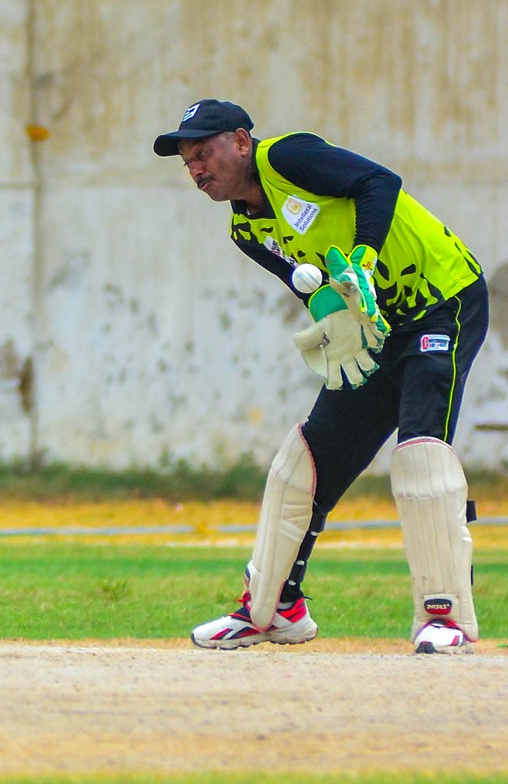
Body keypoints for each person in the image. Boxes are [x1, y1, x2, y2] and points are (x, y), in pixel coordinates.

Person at [154, 99, 486, 655]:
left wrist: (363, 259)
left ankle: (446, 616)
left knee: (422, 454)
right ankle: (273, 609)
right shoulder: (245, 230)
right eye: (188, 162)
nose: (197, 170)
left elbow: (380, 183)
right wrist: (333, 316)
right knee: (302, 465)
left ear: (241, 141)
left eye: (204, 153)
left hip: (442, 300)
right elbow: (307, 286)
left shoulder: (287, 158)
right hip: (375, 326)